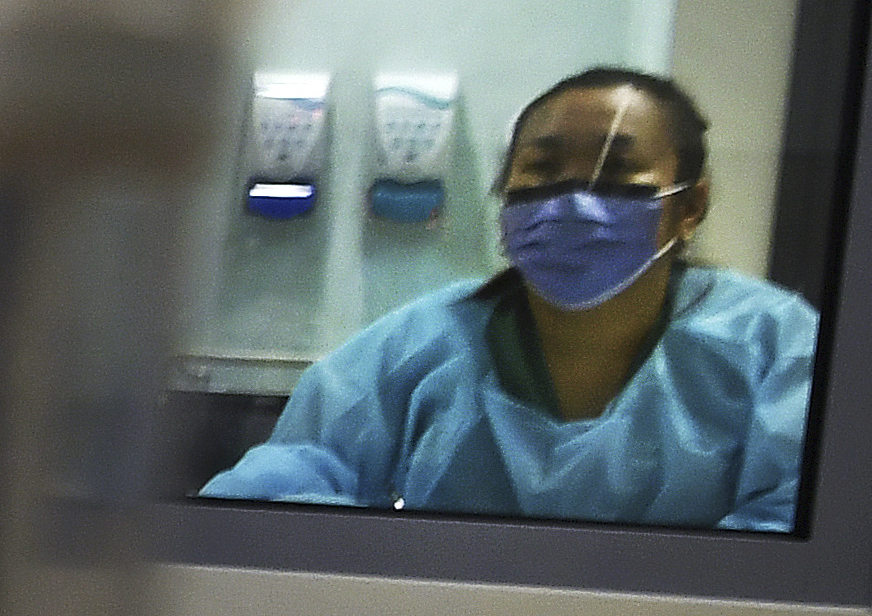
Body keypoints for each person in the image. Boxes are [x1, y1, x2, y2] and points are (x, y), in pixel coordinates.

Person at [198, 67, 812, 531]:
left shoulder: (772, 347)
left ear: (691, 205)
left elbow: (799, 537)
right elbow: (268, 497)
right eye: (542, 170)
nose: (574, 198)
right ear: (505, 197)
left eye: (615, 173)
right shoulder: (423, 346)